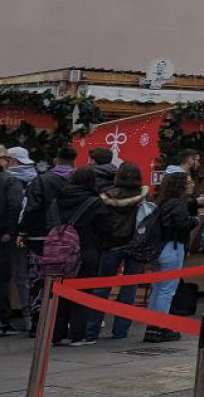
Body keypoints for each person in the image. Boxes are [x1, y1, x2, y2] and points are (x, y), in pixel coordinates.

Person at [85, 163, 150, 341]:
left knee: (102, 287)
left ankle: (92, 330)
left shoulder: (107, 197)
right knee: (129, 288)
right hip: (136, 245)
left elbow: (99, 221)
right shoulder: (143, 196)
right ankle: (120, 331)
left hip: (111, 244)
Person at [51, 165, 116, 346]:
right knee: (83, 292)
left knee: (60, 293)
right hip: (86, 251)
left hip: (58, 252)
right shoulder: (94, 202)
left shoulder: (58, 200)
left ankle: (57, 333)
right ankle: (77, 335)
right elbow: (107, 228)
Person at [19, 144, 75, 335]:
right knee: (65, 281)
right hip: (70, 239)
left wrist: (23, 230)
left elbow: (31, 208)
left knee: (38, 280)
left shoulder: (42, 181)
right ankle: (61, 324)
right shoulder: (78, 180)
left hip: (40, 236)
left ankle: (38, 323)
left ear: (55, 160)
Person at [144, 170, 199, 342]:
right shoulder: (179, 203)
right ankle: (161, 326)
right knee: (167, 290)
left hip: (159, 248)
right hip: (173, 247)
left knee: (157, 288)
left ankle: (152, 325)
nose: (191, 185)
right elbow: (182, 223)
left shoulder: (164, 202)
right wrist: (195, 221)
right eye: (188, 182)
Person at [0, 149, 23, 336]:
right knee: (2, 279)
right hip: (2, 237)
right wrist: (10, 231)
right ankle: (3, 321)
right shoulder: (10, 180)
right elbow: (14, 206)